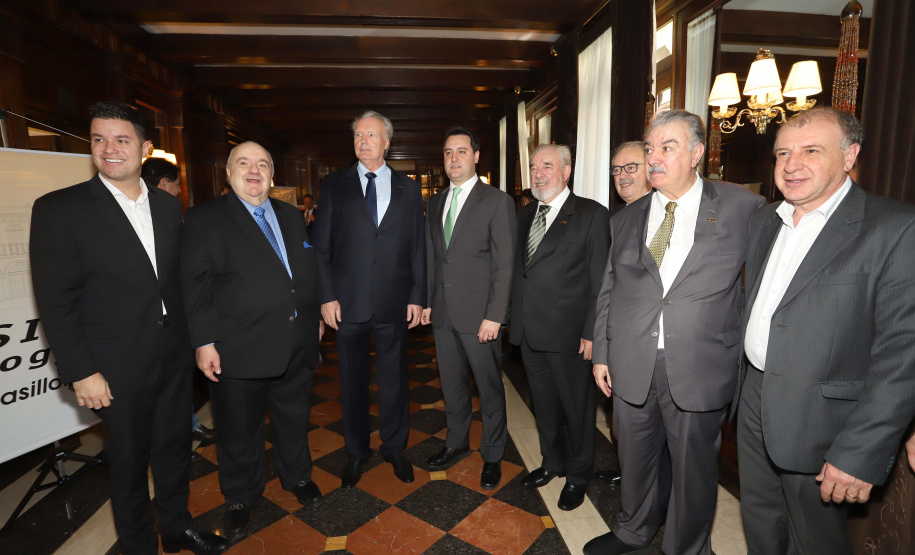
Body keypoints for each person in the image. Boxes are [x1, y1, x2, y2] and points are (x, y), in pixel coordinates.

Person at [29, 101, 228, 555]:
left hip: (173, 361)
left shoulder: (167, 206)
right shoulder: (60, 209)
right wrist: (81, 371)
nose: (109, 149)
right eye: (99, 139)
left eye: (121, 140)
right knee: (128, 466)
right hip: (114, 369)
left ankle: (176, 529)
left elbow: (179, 284)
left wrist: (199, 342)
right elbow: (56, 302)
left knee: (174, 453)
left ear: (145, 148)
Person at [734, 107, 915, 554]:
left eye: (811, 151)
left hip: (827, 420)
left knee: (815, 541)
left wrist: (860, 450)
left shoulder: (894, 228)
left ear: (849, 156)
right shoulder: (764, 220)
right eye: (782, 154)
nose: (791, 165)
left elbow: (903, 353)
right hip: (756, 399)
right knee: (761, 524)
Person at [587, 110, 765, 555]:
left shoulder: (743, 207)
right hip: (631, 360)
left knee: (693, 470)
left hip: (699, 363)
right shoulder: (626, 218)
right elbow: (611, 289)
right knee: (634, 457)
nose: (654, 158)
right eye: (650, 148)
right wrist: (602, 353)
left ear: (697, 153)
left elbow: (761, 287)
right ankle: (633, 528)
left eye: (667, 147)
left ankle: (685, 547)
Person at [180, 141, 323, 540]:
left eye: (262, 164)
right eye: (244, 163)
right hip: (238, 348)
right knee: (238, 428)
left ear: (272, 175)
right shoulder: (205, 218)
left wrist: (313, 318)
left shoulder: (290, 215)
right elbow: (195, 287)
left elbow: (303, 270)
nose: (254, 170)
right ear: (228, 172)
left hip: (295, 342)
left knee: (293, 418)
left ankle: (297, 477)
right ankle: (241, 495)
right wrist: (203, 341)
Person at [312, 111, 425, 487]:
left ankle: (394, 447)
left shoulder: (409, 189)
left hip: (395, 299)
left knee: (395, 380)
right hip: (348, 303)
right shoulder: (334, 185)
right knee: (352, 381)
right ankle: (357, 452)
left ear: (387, 142)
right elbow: (321, 248)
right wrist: (326, 296)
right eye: (358, 134)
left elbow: (418, 248)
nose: (363, 141)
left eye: (371, 135)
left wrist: (417, 296)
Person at [509, 144, 609, 510]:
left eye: (547, 166)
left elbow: (600, 281)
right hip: (529, 333)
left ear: (566, 172)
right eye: (534, 166)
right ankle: (552, 462)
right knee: (545, 406)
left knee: (577, 409)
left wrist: (592, 332)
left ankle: (579, 474)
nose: (538, 173)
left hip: (570, 336)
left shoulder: (591, 215)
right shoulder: (523, 215)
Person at [420, 127, 516, 489]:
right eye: (447, 153)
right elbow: (434, 257)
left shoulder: (496, 201)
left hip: (480, 317)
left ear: (476, 156)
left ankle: (492, 454)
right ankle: (456, 442)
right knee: (452, 386)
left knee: (489, 388)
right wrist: (430, 302)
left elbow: (504, 264)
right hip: (443, 313)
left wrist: (495, 315)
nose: (454, 158)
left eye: (461, 151)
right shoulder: (435, 202)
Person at [140, 157, 217, 447]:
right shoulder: (169, 217)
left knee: (174, 384)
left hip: (171, 321)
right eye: (176, 186)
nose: (180, 193)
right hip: (151, 322)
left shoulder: (171, 212)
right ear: (162, 184)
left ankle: (186, 427)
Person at [594, 140, 654, 487]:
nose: (622, 175)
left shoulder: (664, 213)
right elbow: (609, 288)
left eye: (631, 167)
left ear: (651, 167)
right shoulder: (619, 218)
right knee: (626, 427)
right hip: (622, 344)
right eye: (617, 170)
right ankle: (629, 472)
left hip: (653, 348)